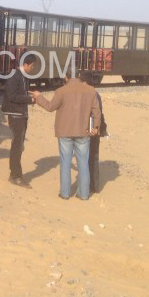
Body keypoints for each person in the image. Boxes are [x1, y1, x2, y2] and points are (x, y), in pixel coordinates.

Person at [31, 69, 101, 200]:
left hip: (64, 132)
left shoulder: (61, 91)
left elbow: (50, 107)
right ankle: (84, 194)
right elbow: (96, 112)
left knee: (65, 162)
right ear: (79, 76)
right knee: (83, 164)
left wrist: (38, 97)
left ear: (67, 77)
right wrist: (96, 127)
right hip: (84, 132)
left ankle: (65, 193)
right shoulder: (91, 91)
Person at [1, 57, 36, 188]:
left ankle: (15, 174)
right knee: (17, 145)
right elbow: (12, 96)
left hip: (20, 114)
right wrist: (30, 100)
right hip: (15, 114)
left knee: (19, 145)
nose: (32, 69)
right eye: (31, 66)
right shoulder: (15, 77)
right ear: (25, 64)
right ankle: (15, 176)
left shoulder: (21, 76)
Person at [79, 71, 107, 193]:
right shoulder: (96, 94)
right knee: (93, 158)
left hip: (86, 130)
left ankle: (86, 187)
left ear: (85, 82)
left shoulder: (84, 95)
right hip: (95, 129)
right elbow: (100, 114)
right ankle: (94, 186)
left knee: (85, 158)